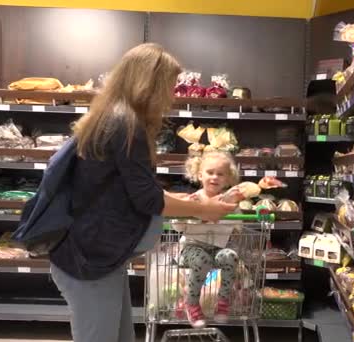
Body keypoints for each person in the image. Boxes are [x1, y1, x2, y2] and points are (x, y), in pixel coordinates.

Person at [48, 43, 237, 342]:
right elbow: (147, 198)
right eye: (169, 86)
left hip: (102, 256)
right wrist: (205, 209)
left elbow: (131, 187)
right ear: (149, 84)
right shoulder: (125, 124)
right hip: (90, 260)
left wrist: (179, 201)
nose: (172, 95)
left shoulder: (113, 116)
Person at [179, 151, 241, 328]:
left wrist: (232, 214)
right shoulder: (194, 199)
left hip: (218, 248)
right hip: (192, 248)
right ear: (200, 174)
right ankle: (191, 303)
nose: (215, 177)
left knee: (230, 256)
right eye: (210, 172)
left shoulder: (229, 201)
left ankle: (223, 302)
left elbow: (238, 225)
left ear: (228, 178)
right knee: (201, 260)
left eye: (220, 174)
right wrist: (189, 212)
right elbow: (177, 227)